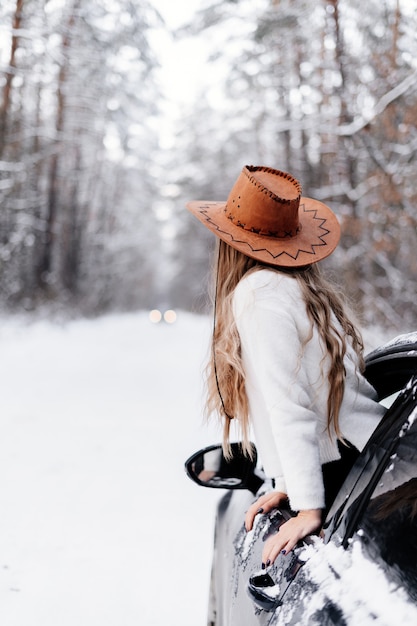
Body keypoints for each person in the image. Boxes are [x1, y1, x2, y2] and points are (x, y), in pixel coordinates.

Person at [186, 165, 386, 568]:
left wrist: (308, 507)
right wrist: (287, 483)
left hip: (345, 471)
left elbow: (290, 405)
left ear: (231, 243)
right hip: (371, 458)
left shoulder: (258, 294)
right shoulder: (301, 290)